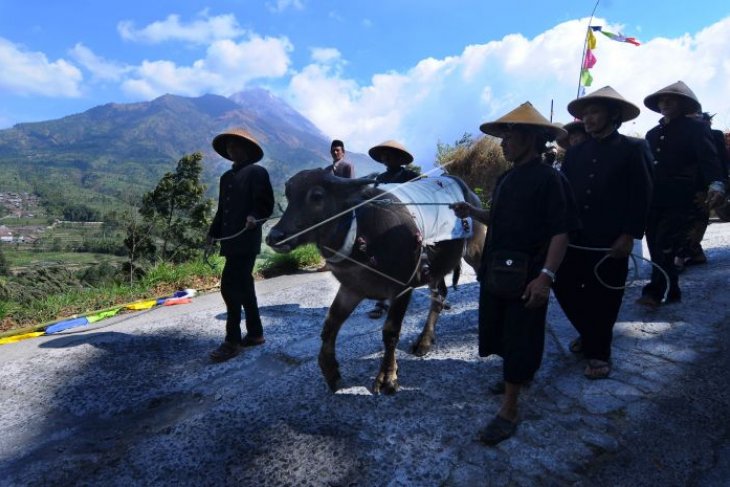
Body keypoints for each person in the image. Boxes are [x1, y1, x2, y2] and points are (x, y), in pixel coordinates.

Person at [450, 102, 577, 445]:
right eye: (503, 136)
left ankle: (509, 409)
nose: (503, 143)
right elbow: (500, 219)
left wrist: (546, 276)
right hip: (498, 271)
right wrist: (473, 211)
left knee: (522, 334)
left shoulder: (551, 179)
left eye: (510, 136)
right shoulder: (507, 178)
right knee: (503, 331)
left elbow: (561, 231)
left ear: (532, 138)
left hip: (528, 273)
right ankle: (516, 377)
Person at [552, 86, 653, 380]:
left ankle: (598, 353)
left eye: (595, 112)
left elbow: (642, 195)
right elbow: (566, 196)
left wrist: (629, 234)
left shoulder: (634, 149)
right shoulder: (575, 153)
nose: (588, 118)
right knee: (564, 285)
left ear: (613, 115)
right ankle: (591, 333)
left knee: (604, 297)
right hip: (576, 238)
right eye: (585, 113)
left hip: (611, 240)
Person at [637, 81, 726, 308]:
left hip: (681, 196)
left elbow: (709, 159)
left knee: (666, 241)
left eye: (671, 99)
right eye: (662, 100)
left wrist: (716, 184)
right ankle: (672, 286)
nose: (665, 103)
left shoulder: (696, 129)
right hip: (653, 197)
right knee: (655, 243)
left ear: (682, 103)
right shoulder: (652, 133)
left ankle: (654, 291)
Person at [208, 128, 275, 362]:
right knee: (245, 287)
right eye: (229, 146)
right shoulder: (226, 178)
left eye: (236, 145)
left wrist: (254, 216)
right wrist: (212, 233)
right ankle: (255, 334)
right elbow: (221, 210)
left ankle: (232, 340)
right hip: (230, 241)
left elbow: (265, 205)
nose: (232, 149)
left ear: (247, 150)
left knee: (229, 286)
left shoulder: (257, 173)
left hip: (246, 239)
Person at [366, 140, 421, 319]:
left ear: (399, 158)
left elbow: (419, 201)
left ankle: (435, 290)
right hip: (385, 224)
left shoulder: (411, 177)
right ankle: (381, 300)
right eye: (384, 154)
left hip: (408, 222)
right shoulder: (380, 180)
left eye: (390, 154)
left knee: (420, 253)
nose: (386, 157)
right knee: (378, 259)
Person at [674, 112, 730, 271]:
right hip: (684, 184)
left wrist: (722, 184)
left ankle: (681, 255)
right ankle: (695, 253)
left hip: (705, 184)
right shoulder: (682, 137)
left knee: (697, 219)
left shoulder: (715, 135)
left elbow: (720, 161)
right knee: (684, 219)